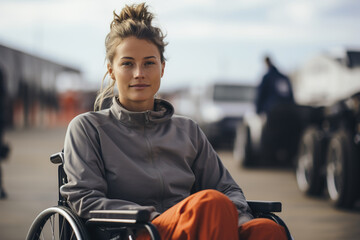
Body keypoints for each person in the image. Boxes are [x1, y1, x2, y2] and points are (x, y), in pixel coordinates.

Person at [60, 3, 287, 239]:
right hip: (133, 231)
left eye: (149, 63)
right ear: (111, 70)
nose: (139, 73)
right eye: (127, 63)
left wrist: (239, 222)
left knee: (266, 230)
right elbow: (86, 199)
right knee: (211, 205)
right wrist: (151, 217)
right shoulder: (88, 128)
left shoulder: (187, 130)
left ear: (163, 68)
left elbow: (226, 187)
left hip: (193, 226)